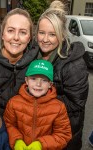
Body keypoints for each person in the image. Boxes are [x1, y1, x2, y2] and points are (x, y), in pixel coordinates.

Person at [35, 1, 89, 150]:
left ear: (62, 36)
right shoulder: (33, 55)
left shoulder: (74, 65)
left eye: (52, 34)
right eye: (42, 33)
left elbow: (76, 104)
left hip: (64, 135)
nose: (45, 39)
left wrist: (42, 96)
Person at [4, 59, 72, 150]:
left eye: (44, 80)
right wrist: (16, 140)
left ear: (50, 84)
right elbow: (8, 125)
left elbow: (63, 135)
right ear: (26, 81)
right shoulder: (13, 102)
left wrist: (41, 144)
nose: (38, 84)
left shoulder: (58, 107)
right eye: (33, 78)